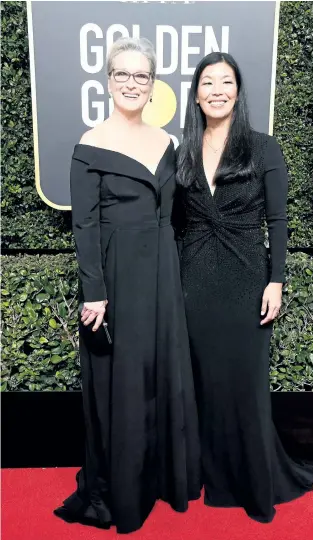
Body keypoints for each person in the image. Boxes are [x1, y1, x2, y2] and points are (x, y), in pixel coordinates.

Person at [175, 52, 313, 523]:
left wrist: (276, 281)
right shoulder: (179, 151)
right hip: (193, 281)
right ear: (196, 93)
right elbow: (172, 222)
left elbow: (279, 221)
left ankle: (253, 478)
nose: (217, 90)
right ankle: (210, 474)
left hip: (246, 280)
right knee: (203, 384)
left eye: (226, 82)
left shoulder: (265, 148)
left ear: (238, 92)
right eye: (208, 82)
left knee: (243, 385)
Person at [54, 37, 200, 534]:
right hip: (116, 275)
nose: (133, 83)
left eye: (142, 76)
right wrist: (94, 291)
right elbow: (85, 226)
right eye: (123, 75)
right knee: (122, 379)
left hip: (162, 268)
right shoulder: (89, 145)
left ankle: (161, 475)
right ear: (108, 80)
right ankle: (120, 487)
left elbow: (176, 217)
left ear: (153, 83)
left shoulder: (166, 142)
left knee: (160, 371)